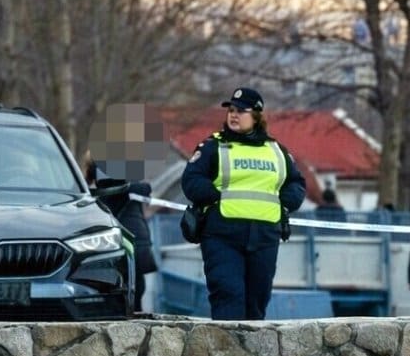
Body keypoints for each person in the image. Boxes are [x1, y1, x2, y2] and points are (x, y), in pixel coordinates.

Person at [181, 87, 307, 320]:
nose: (234, 114)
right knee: (228, 296)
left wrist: (284, 204)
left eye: (241, 110)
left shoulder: (276, 151)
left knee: (257, 302)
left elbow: (296, 184)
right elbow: (191, 180)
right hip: (222, 236)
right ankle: (227, 355)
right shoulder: (212, 146)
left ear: (257, 115)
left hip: (265, 238)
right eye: (231, 109)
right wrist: (214, 197)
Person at [87, 155, 159, 313]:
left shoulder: (93, 196)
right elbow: (144, 188)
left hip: (116, 245)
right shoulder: (128, 184)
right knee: (134, 290)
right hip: (129, 243)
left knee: (126, 291)